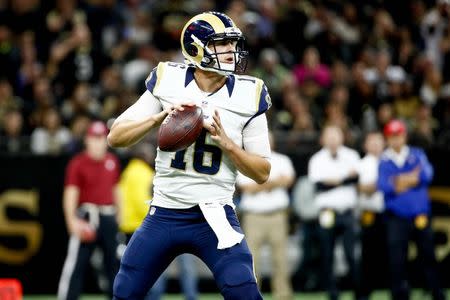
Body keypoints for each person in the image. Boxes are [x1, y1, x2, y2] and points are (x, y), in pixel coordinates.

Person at [108, 11, 271, 300]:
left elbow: (262, 173)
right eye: (221, 44)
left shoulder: (250, 93)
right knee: (125, 291)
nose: (231, 51)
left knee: (243, 292)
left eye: (232, 44)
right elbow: (116, 136)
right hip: (164, 213)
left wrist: (229, 145)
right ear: (196, 48)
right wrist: (158, 118)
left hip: (215, 213)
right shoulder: (167, 80)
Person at [118, 142, 199, 300]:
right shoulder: (143, 173)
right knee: (163, 268)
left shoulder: (129, 171)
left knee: (143, 269)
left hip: (135, 226)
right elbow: (142, 203)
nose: (151, 156)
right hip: (154, 225)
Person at [378, 119, 446, 300]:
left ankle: (436, 292)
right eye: (392, 136)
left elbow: (426, 175)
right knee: (397, 259)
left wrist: (399, 180)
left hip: (420, 215)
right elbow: (385, 186)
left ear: (404, 136)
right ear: (387, 138)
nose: (396, 140)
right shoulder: (384, 160)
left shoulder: (417, 154)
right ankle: (400, 294)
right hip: (396, 217)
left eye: (398, 135)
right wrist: (411, 178)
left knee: (428, 255)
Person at [58, 120, 121, 300]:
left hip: (108, 216)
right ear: (87, 140)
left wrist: (119, 216)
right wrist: (71, 221)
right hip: (87, 216)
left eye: (102, 138)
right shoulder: (78, 163)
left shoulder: (112, 161)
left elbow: (117, 190)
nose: (98, 142)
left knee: (113, 264)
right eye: (95, 137)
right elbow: (70, 194)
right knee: (77, 264)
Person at [236, 132, 295, 300]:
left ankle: (283, 296)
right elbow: (247, 188)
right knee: (252, 261)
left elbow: (289, 180)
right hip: (253, 216)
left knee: (280, 259)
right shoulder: (246, 160)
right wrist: (275, 183)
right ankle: (251, 295)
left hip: (277, 215)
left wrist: (260, 184)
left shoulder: (282, 159)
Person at [307, 125, 361, 300]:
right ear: (322, 139)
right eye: (328, 136)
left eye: (335, 136)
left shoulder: (352, 155)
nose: (332, 140)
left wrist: (334, 180)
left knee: (351, 253)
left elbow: (355, 178)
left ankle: (358, 292)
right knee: (327, 253)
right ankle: (332, 292)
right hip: (327, 213)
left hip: (347, 211)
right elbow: (319, 185)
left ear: (342, 137)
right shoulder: (316, 159)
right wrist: (344, 179)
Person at [357, 131, 387, 300]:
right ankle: (364, 292)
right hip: (369, 214)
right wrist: (386, 183)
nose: (375, 145)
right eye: (372, 141)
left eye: (378, 141)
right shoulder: (361, 164)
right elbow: (361, 188)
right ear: (365, 145)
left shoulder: (389, 160)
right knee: (368, 254)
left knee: (391, 253)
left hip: (389, 213)